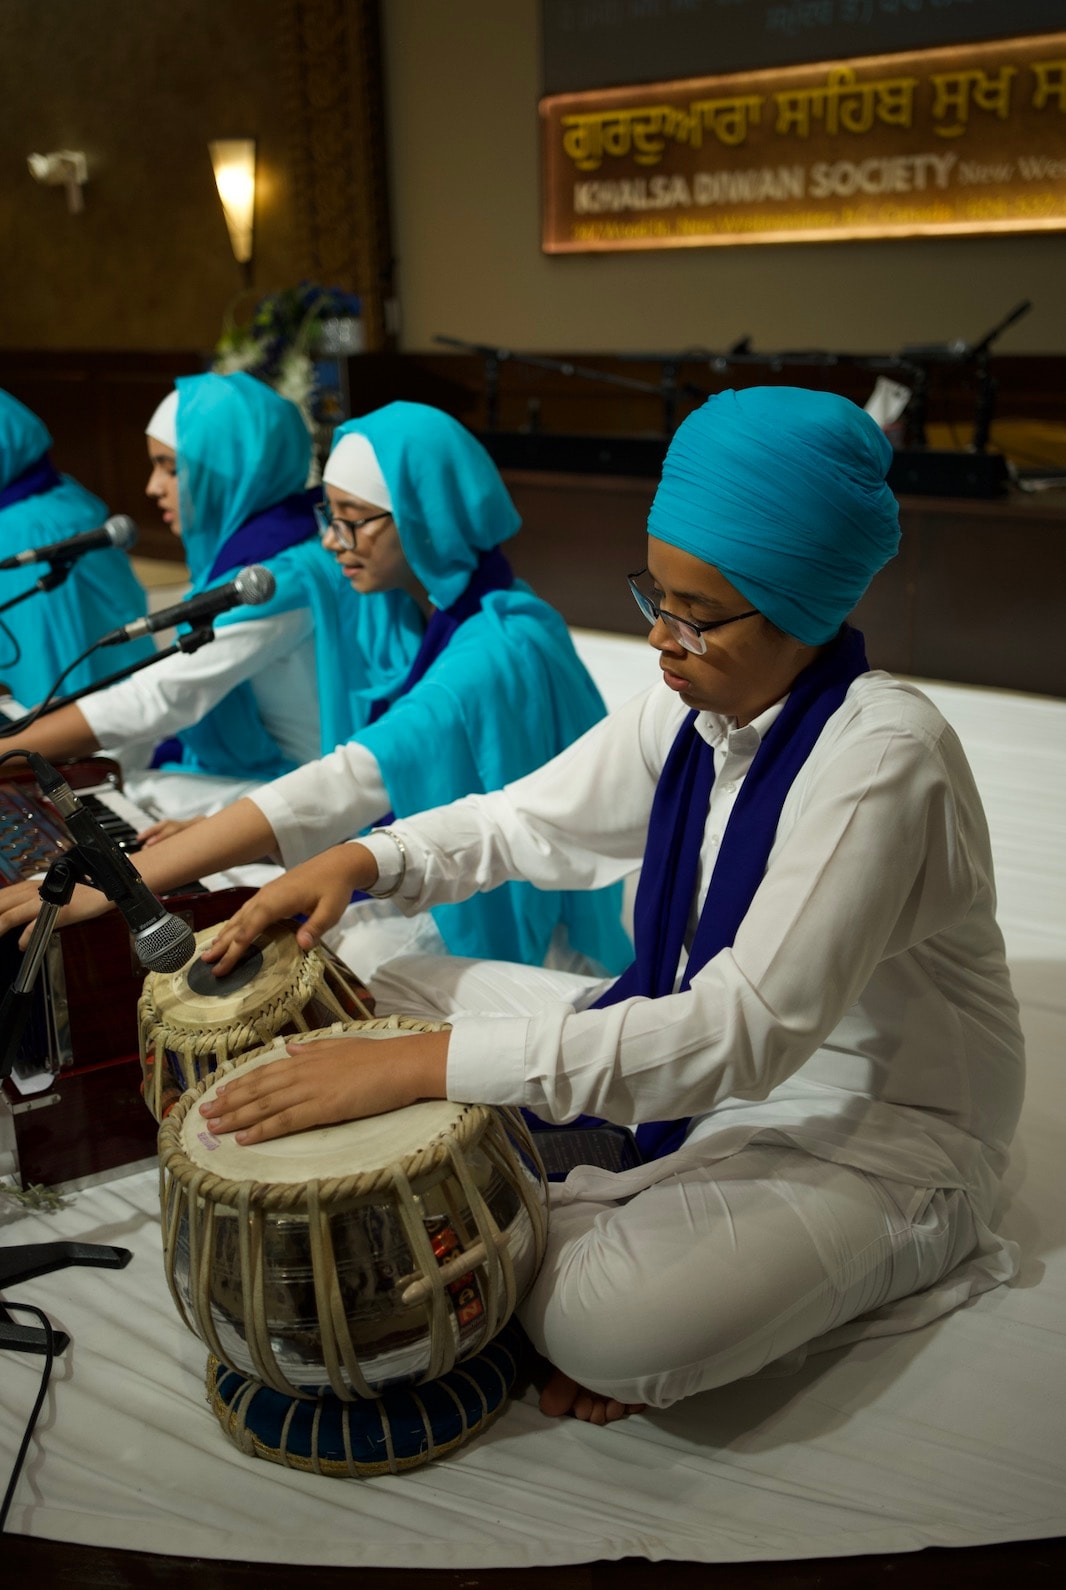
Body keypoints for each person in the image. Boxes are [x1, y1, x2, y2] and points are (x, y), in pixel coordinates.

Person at [186, 386, 1026, 1427]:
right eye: (655, 598)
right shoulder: (695, 707)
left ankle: (595, 1234)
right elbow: (521, 824)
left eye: (697, 614)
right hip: (688, 1042)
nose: (662, 640)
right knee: (371, 972)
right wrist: (362, 858)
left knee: (607, 1327)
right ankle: (559, 1209)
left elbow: (738, 1038)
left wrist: (416, 1068)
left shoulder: (884, 760)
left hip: (871, 1121)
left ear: (802, 607)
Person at [0, 400, 630, 978]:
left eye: (353, 522)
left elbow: (352, 778)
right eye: (330, 516)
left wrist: (122, 879)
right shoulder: (444, 611)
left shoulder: (496, 648)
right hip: (438, 854)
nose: (331, 540)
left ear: (422, 518)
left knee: (302, 963)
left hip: (511, 910)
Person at [5, 370, 346, 819]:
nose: (152, 487)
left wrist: (8, 750)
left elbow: (160, 698)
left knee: (110, 791)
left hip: (305, 791)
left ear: (233, 468)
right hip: (259, 771)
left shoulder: (277, 577)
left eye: (171, 467)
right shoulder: (265, 546)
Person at [0, 388, 154, 710]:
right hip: (39, 505)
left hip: (31, 526)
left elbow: (52, 667)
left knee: (53, 682)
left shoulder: (26, 531)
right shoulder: (57, 500)